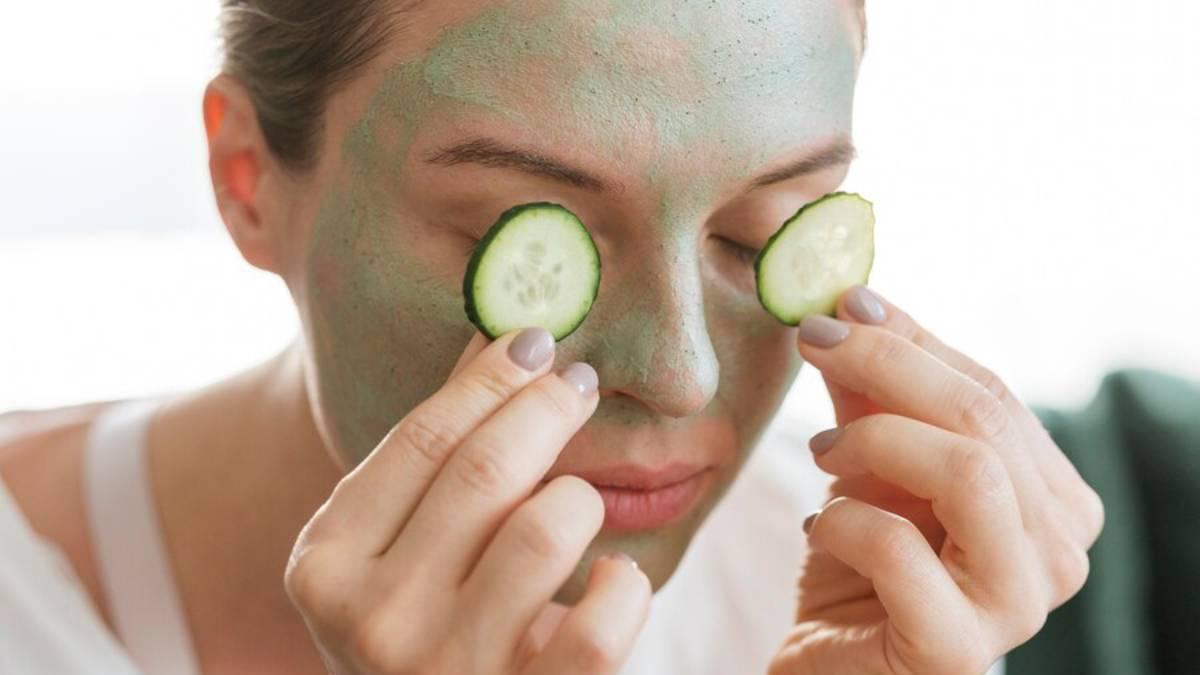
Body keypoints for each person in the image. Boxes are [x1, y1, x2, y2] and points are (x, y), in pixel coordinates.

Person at [7, 0, 1172, 672]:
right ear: (248, 177)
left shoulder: (848, 597)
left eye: (764, 230)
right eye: (531, 241)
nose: (679, 373)